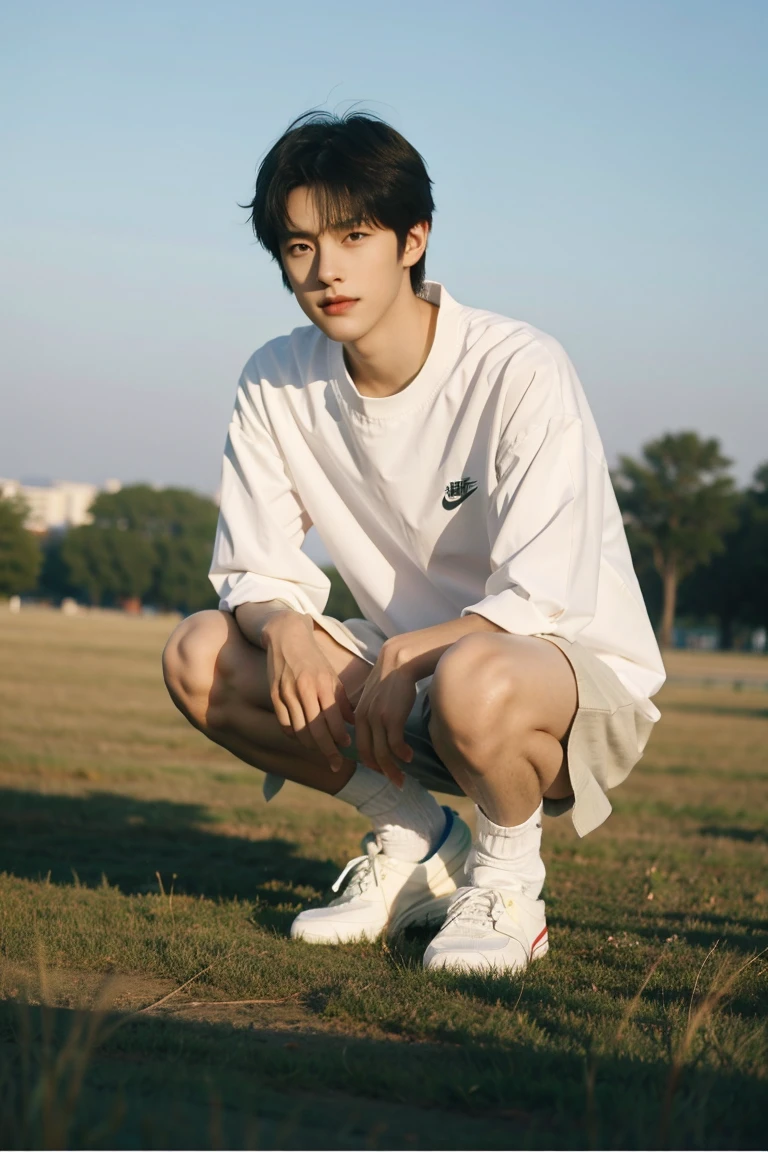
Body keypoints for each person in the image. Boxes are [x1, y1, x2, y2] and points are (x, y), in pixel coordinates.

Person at [162, 110, 665, 974]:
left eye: (353, 235)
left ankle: (509, 885)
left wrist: (416, 654)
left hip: (555, 678)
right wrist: (284, 628)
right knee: (202, 652)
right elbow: (253, 566)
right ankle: (417, 845)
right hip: (410, 676)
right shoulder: (276, 377)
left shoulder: (516, 366)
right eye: (298, 247)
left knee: (473, 675)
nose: (326, 272)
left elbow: (544, 593)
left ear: (413, 238)